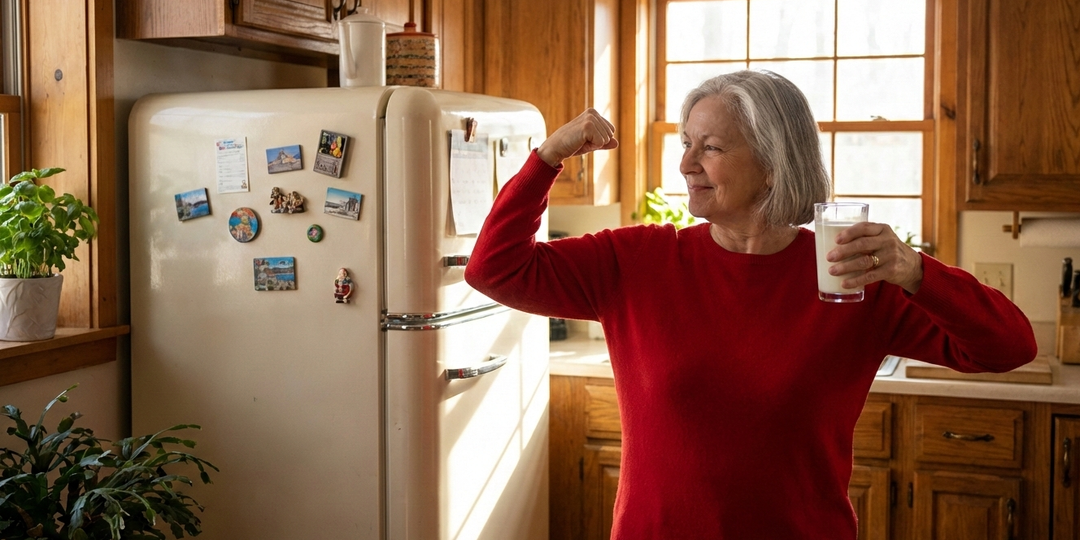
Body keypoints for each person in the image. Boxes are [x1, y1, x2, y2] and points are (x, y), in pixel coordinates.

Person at [464, 70, 1037, 539]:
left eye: (709, 147)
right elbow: (494, 269)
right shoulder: (637, 262)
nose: (686, 164)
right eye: (686, 143)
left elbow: (1009, 346)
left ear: (773, 162)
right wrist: (548, 156)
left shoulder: (850, 275)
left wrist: (916, 270)